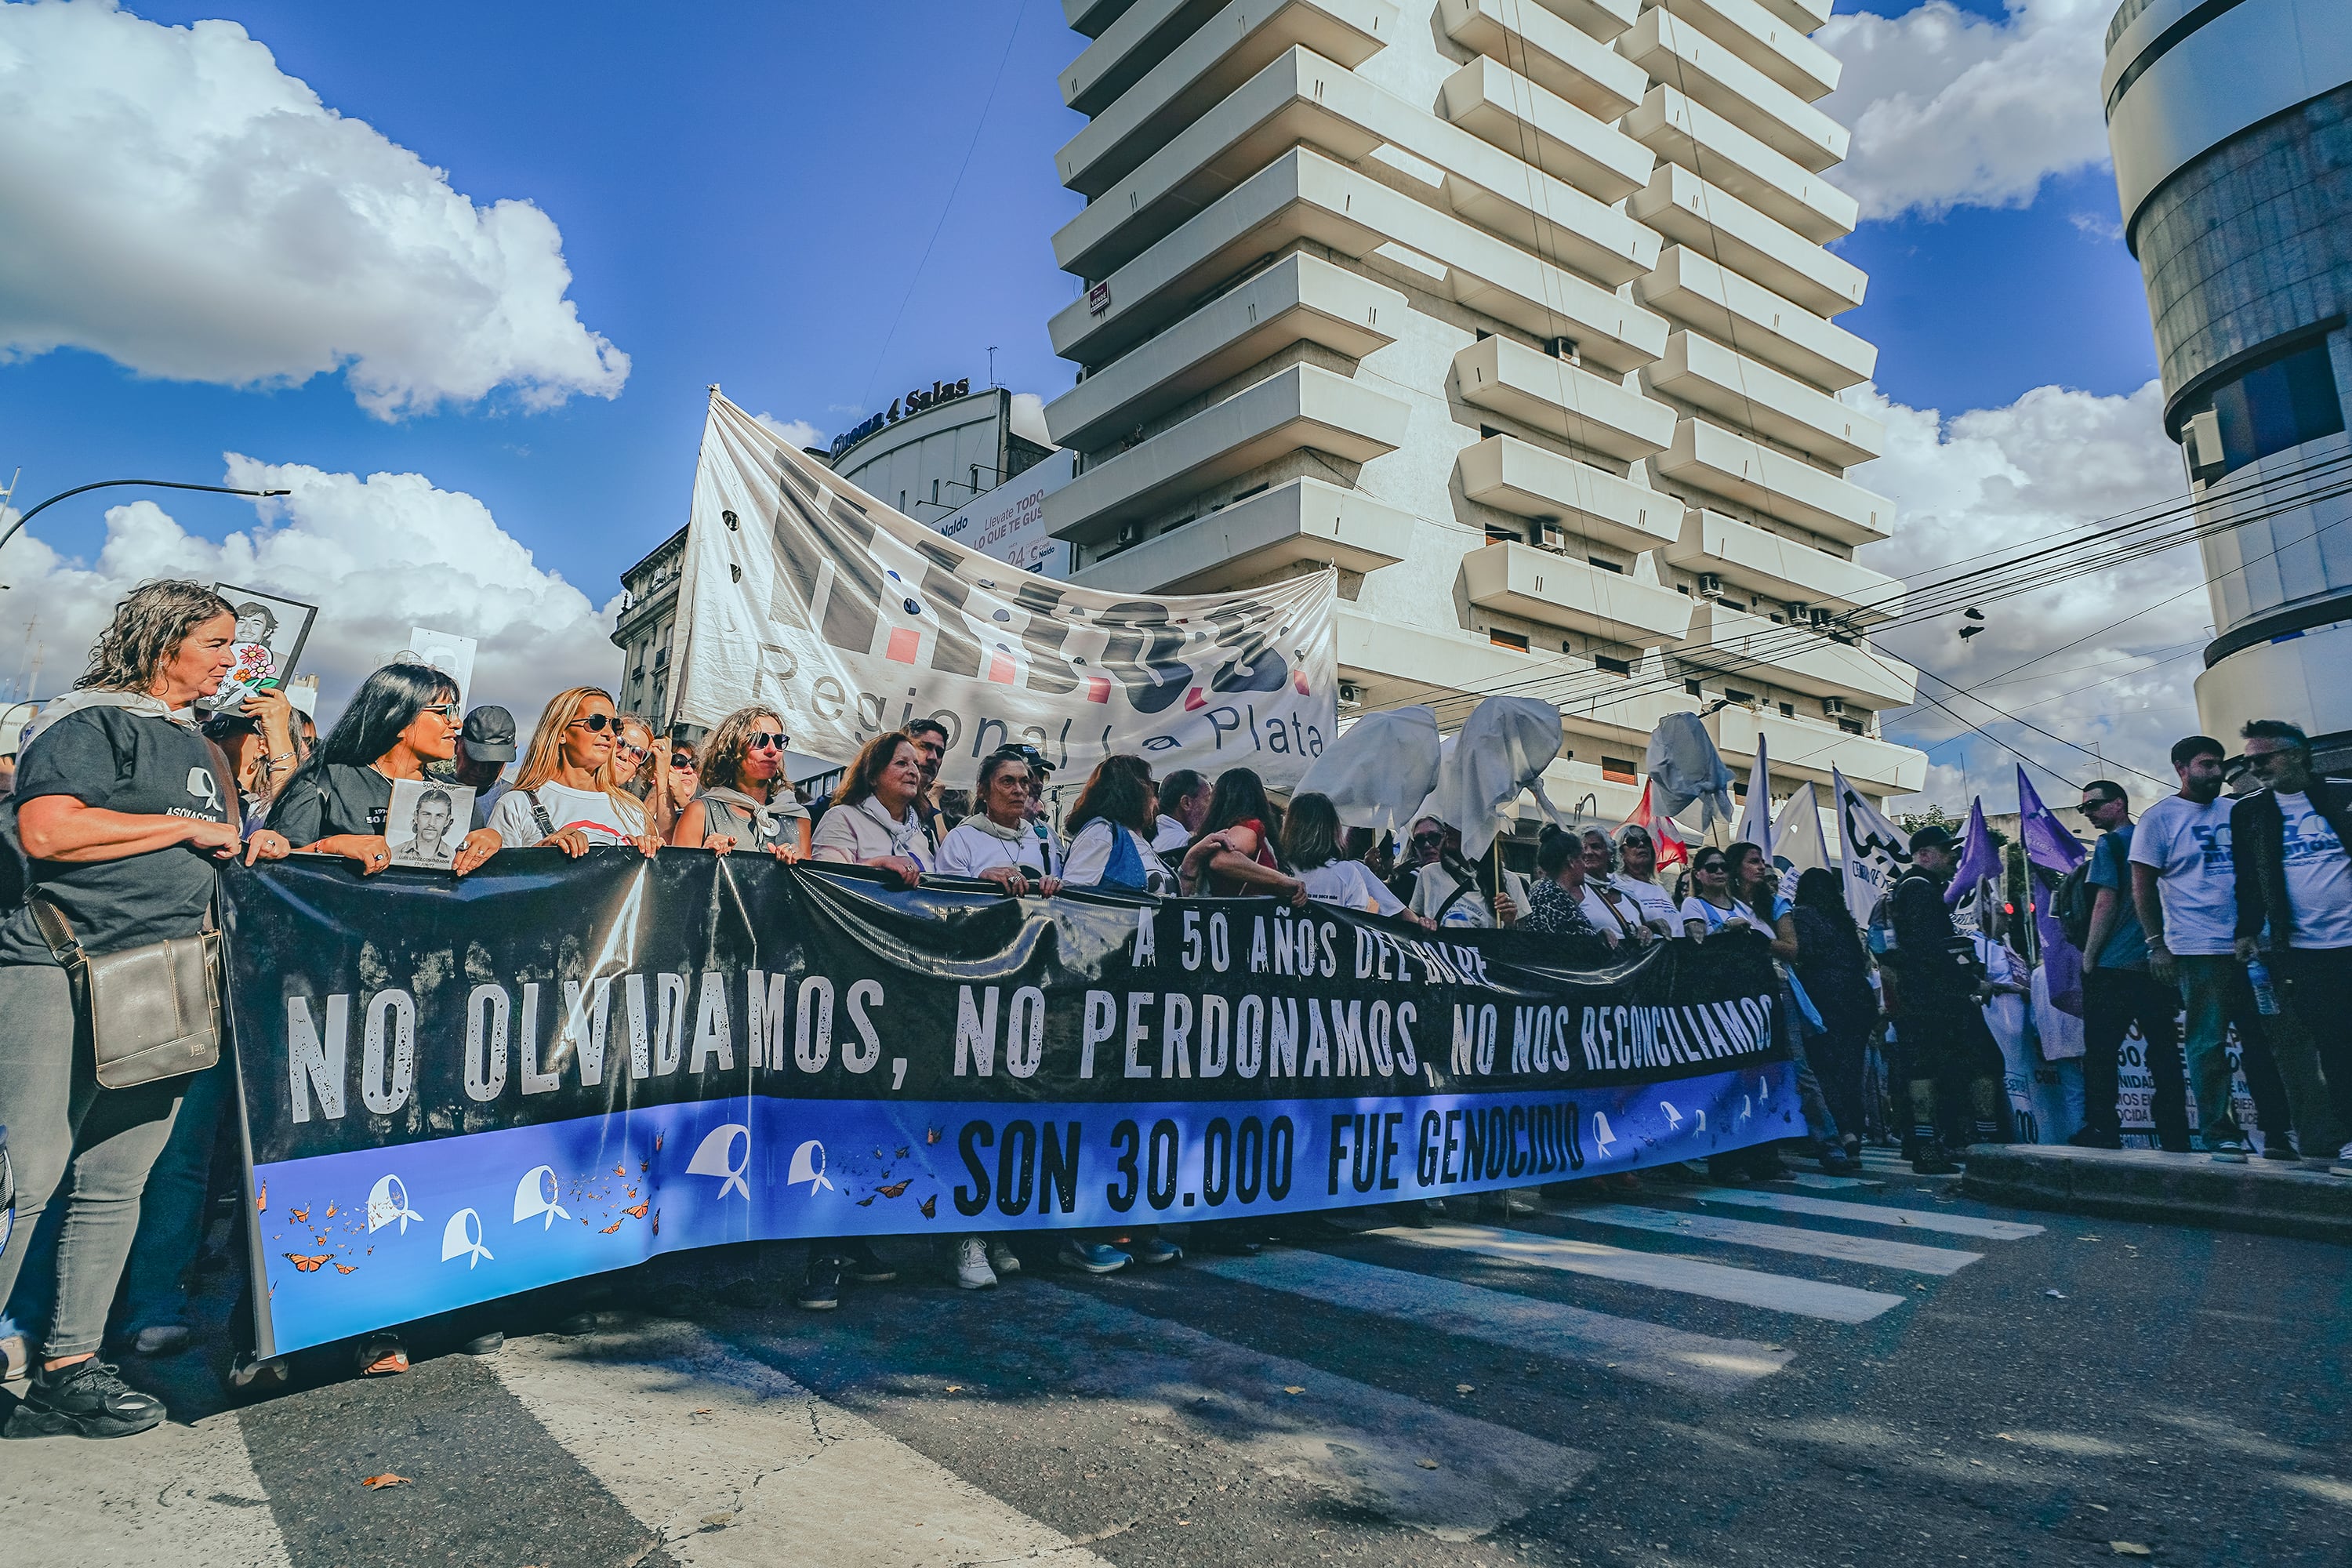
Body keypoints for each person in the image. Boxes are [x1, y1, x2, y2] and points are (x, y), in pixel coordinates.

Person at [0, 581, 292, 1438]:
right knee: (26, 1177)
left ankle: (69, 1364)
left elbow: (213, 839)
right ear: (163, 643)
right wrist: (174, 829)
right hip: (59, 967)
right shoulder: (84, 723)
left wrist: (245, 841)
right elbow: (48, 831)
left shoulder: (199, 745)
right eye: (214, 643)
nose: (227, 661)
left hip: (162, 976)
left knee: (114, 1180)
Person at [2130, 735, 2283, 1163]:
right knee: (2208, 1042)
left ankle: (2277, 1131)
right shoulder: (2159, 819)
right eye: (2206, 765)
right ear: (2181, 767)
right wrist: (2155, 943)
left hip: (2253, 946)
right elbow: (2141, 884)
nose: (2215, 773)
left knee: (2264, 1041)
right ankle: (2220, 1133)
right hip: (2197, 948)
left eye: (2219, 765)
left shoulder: (2238, 811)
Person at [2230, 719, 2352, 1172]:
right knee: (2335, 1045)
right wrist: (2246, 930)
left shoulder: (2343, 793)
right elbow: (2247, 879)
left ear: (2297, 754)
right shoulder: (2250, 812)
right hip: (2304, 950)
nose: (2256, 767)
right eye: (2248, 761)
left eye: (2264, 758)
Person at [270, 663, 502, 880]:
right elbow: (275, 865)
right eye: (444, 711)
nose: (457, 722)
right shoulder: (326, 780)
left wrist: (490, 842)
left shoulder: (457, 798)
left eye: (455, 711)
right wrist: (333, 846)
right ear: (398, 720)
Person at [2073, 780, 2190, 1152]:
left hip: (2115, 965)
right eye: (2084, 809)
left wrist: (2089, 957)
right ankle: (2175, 1132)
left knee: (2102, 1053)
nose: (2088, 814)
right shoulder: (2157, 839)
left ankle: (2103, 1128)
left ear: (2120, 804)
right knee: (2164, 1051)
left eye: (2094, 805)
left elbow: (2105, 903)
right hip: (2159, 962)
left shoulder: (2111, 844)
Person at [1888, 825, 2009, 1175]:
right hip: (1936, 997)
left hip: (1919, 996)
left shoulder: (1906, 889)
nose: (1953, 858)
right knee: (1982, 1061)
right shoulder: (1921, 891)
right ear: (1924, 855)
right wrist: (1971, 981)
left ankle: (1927, 1144)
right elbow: (1931, 950)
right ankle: (1986, 1146)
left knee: (1927, 1068)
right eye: (1945, 851)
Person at [485, 688, 662, 858]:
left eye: (615, 726)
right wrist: (539, 854)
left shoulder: (632, 810)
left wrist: (646, 854)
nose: (609, 734)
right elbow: (497, 884)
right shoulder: (516, 805)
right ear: (562, 733)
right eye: (596, 722)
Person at [1779, 868, 1876, 1166]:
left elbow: (1802, 954)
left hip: (1823, 996)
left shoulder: (1803, 915)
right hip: (1857, 998)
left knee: (1824, 1067)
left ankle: (1841, 1128)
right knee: (1851, 1068)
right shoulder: (1843, 921)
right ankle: (1855, 1131)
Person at [672, 706, 811, 861]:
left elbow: (808, 884)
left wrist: (799, 865)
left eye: (779, 741)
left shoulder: (797, 817)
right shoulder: (700, 812)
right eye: (759, 740)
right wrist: (706, 859)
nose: (772, 750)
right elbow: (677, 878)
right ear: (731, 747)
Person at [809, 731, 933, 887]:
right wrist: (876, 865)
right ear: (873, 776)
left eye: (916, 764)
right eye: (902, 763)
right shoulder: (842, 818)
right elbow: (826, 884)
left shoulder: (922, 832)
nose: (913, 771)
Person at [935, 749, 1062, 897]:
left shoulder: (1043, 839)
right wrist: (979, 879)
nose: (1019, 790)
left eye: (1024, 782)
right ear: (982, 790)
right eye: (1008, 781)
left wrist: (1054, 884)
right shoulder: (961, 840)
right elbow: (949, 903)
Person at [1282, 792, 1417, 920]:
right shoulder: (1348, 872)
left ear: (1289, 828)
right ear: (1333, 829)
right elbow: (1357, 922)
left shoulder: (1275, 870)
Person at [1184, 768, 1307, 904]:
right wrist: (1281, 879)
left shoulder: (1214, 834)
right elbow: (1222, 860)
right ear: (1259, 796)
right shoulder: (1250, 825)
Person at [1059, 754, 1176, 896]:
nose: (1155, 801)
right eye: (1151, 790)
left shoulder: (1138, 840)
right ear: (1137, 792)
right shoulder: (1100, 833)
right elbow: (1075, 898)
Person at [1409, 827, 1529, 927]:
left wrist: (1510, 922)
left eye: (1458, 825)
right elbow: (1413, 926)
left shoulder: (1510, 881)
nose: (1449, 830)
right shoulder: (1429, 874)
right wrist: (1423, 925)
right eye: (1447, 825)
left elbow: (1521, 942)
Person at [1519, 826, 1606, 941]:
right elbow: (1581, 945)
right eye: (1581, 858)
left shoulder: (1550, 892)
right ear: (1571, 861)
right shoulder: (1550, 896)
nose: (1585, 866)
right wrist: (1602, 939)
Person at [1579, 829, 1650, 944]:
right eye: (1583, 848)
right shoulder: (1575, 889)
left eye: (1595, 847)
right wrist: (1595, 936)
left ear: (1610, 853)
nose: (1588, 852)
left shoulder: (1625, 890)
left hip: (1633, 960)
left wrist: (1645, 930)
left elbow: (1642, 925)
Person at [1610, 824, 1683, 937]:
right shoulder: (1616, 883)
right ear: (1620, 852)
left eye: (1646, 840)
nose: (1642, 844)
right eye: (1632, 842)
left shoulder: (1658, 887)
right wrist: (1647, 926)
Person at [456, 705, 517, 826]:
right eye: (474, 758)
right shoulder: (429, 789)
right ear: (457, 745)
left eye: (493, 762)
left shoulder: (517, 804)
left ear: (512, 750)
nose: (482, 769)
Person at [1678, 845, 1755, 938]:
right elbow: (1698, 945)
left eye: (1724, 867)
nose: (1719, 871)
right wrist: (1727, 927)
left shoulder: (1739, 904)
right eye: (1712, 868)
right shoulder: (1693, 904)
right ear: (1697, 874)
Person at [906, 718, 950, 847]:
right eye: (925, 746)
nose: (933, 757)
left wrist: (933, 800)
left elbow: (946, 853)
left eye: (940, 752)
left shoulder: (929, 808)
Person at [390, 786, 463, 866]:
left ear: (447, 820)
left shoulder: (454, 857)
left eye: (439, 816)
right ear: (416, 817)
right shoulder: (394, 853)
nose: (431, 823)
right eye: (426, 814)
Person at [1152, 768, 1208, 854]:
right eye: (1207, 800)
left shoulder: (1151, 835)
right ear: (1186, 803)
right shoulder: (1185, 843)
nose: (1210, 807)